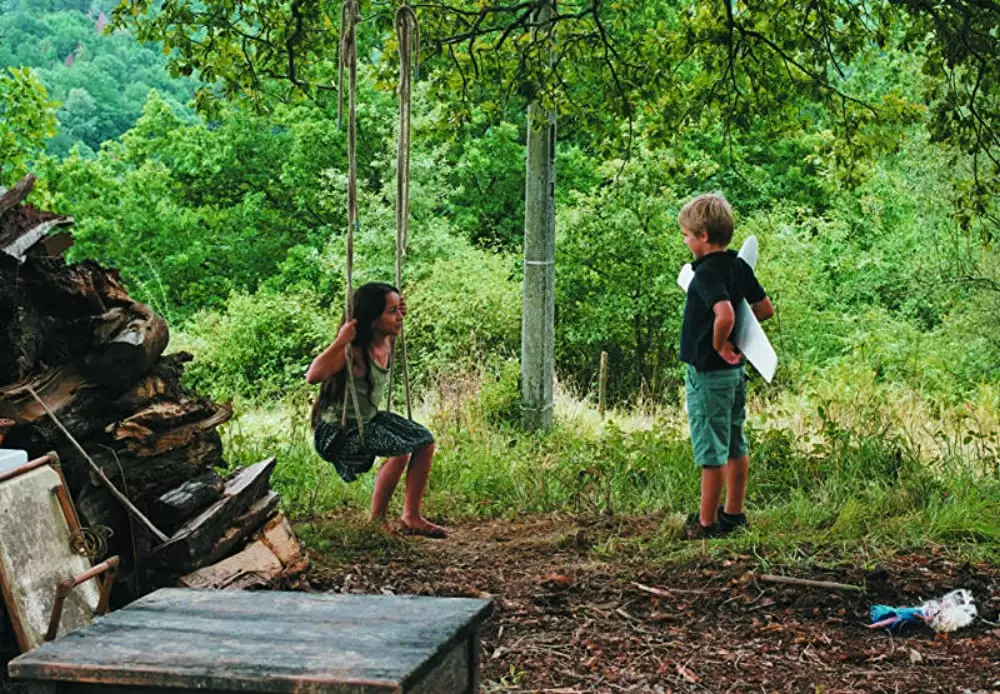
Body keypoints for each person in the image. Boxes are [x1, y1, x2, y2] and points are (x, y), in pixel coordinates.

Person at [306, 282, 447, 539]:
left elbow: (395, 319)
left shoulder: (386, 340)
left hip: (368, 420)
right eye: (392, 312)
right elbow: (313, 376)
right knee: (400, 451)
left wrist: (397, 310)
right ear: (372, 320)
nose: (400, 317)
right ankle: (377, 519)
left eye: (399, 310)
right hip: (338, 432)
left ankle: (411, 516)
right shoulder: (353, 352)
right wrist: (340, 341)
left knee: (424, 442)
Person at [678, 193, 774, 539]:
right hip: (734, 374)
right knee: (735, 442)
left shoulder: (704, 274)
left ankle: (706, 524)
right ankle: (733, 514)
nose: (685, 241)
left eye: (687, 235)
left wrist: (720, 344)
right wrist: (739, 342)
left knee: (711, 451)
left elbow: (726, 313)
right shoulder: (738, 266)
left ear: (704, 236)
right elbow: (764, 309)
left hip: (708, 373)